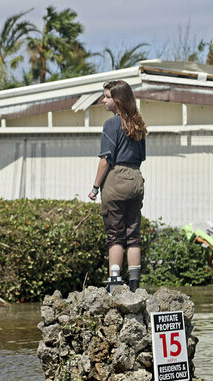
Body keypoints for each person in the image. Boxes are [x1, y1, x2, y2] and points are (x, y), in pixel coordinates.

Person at [87, 80, 147, 292]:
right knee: (133, 234)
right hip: (136, 178)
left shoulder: (111, 124)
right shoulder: (138, 124)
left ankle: (114, 283)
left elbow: (106, 159)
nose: (103, 100)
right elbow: (141, 157)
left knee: (115, 235)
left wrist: (95, 188)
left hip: (116, 179)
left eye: (107, 97)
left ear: (118, 100)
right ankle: (134, 284)